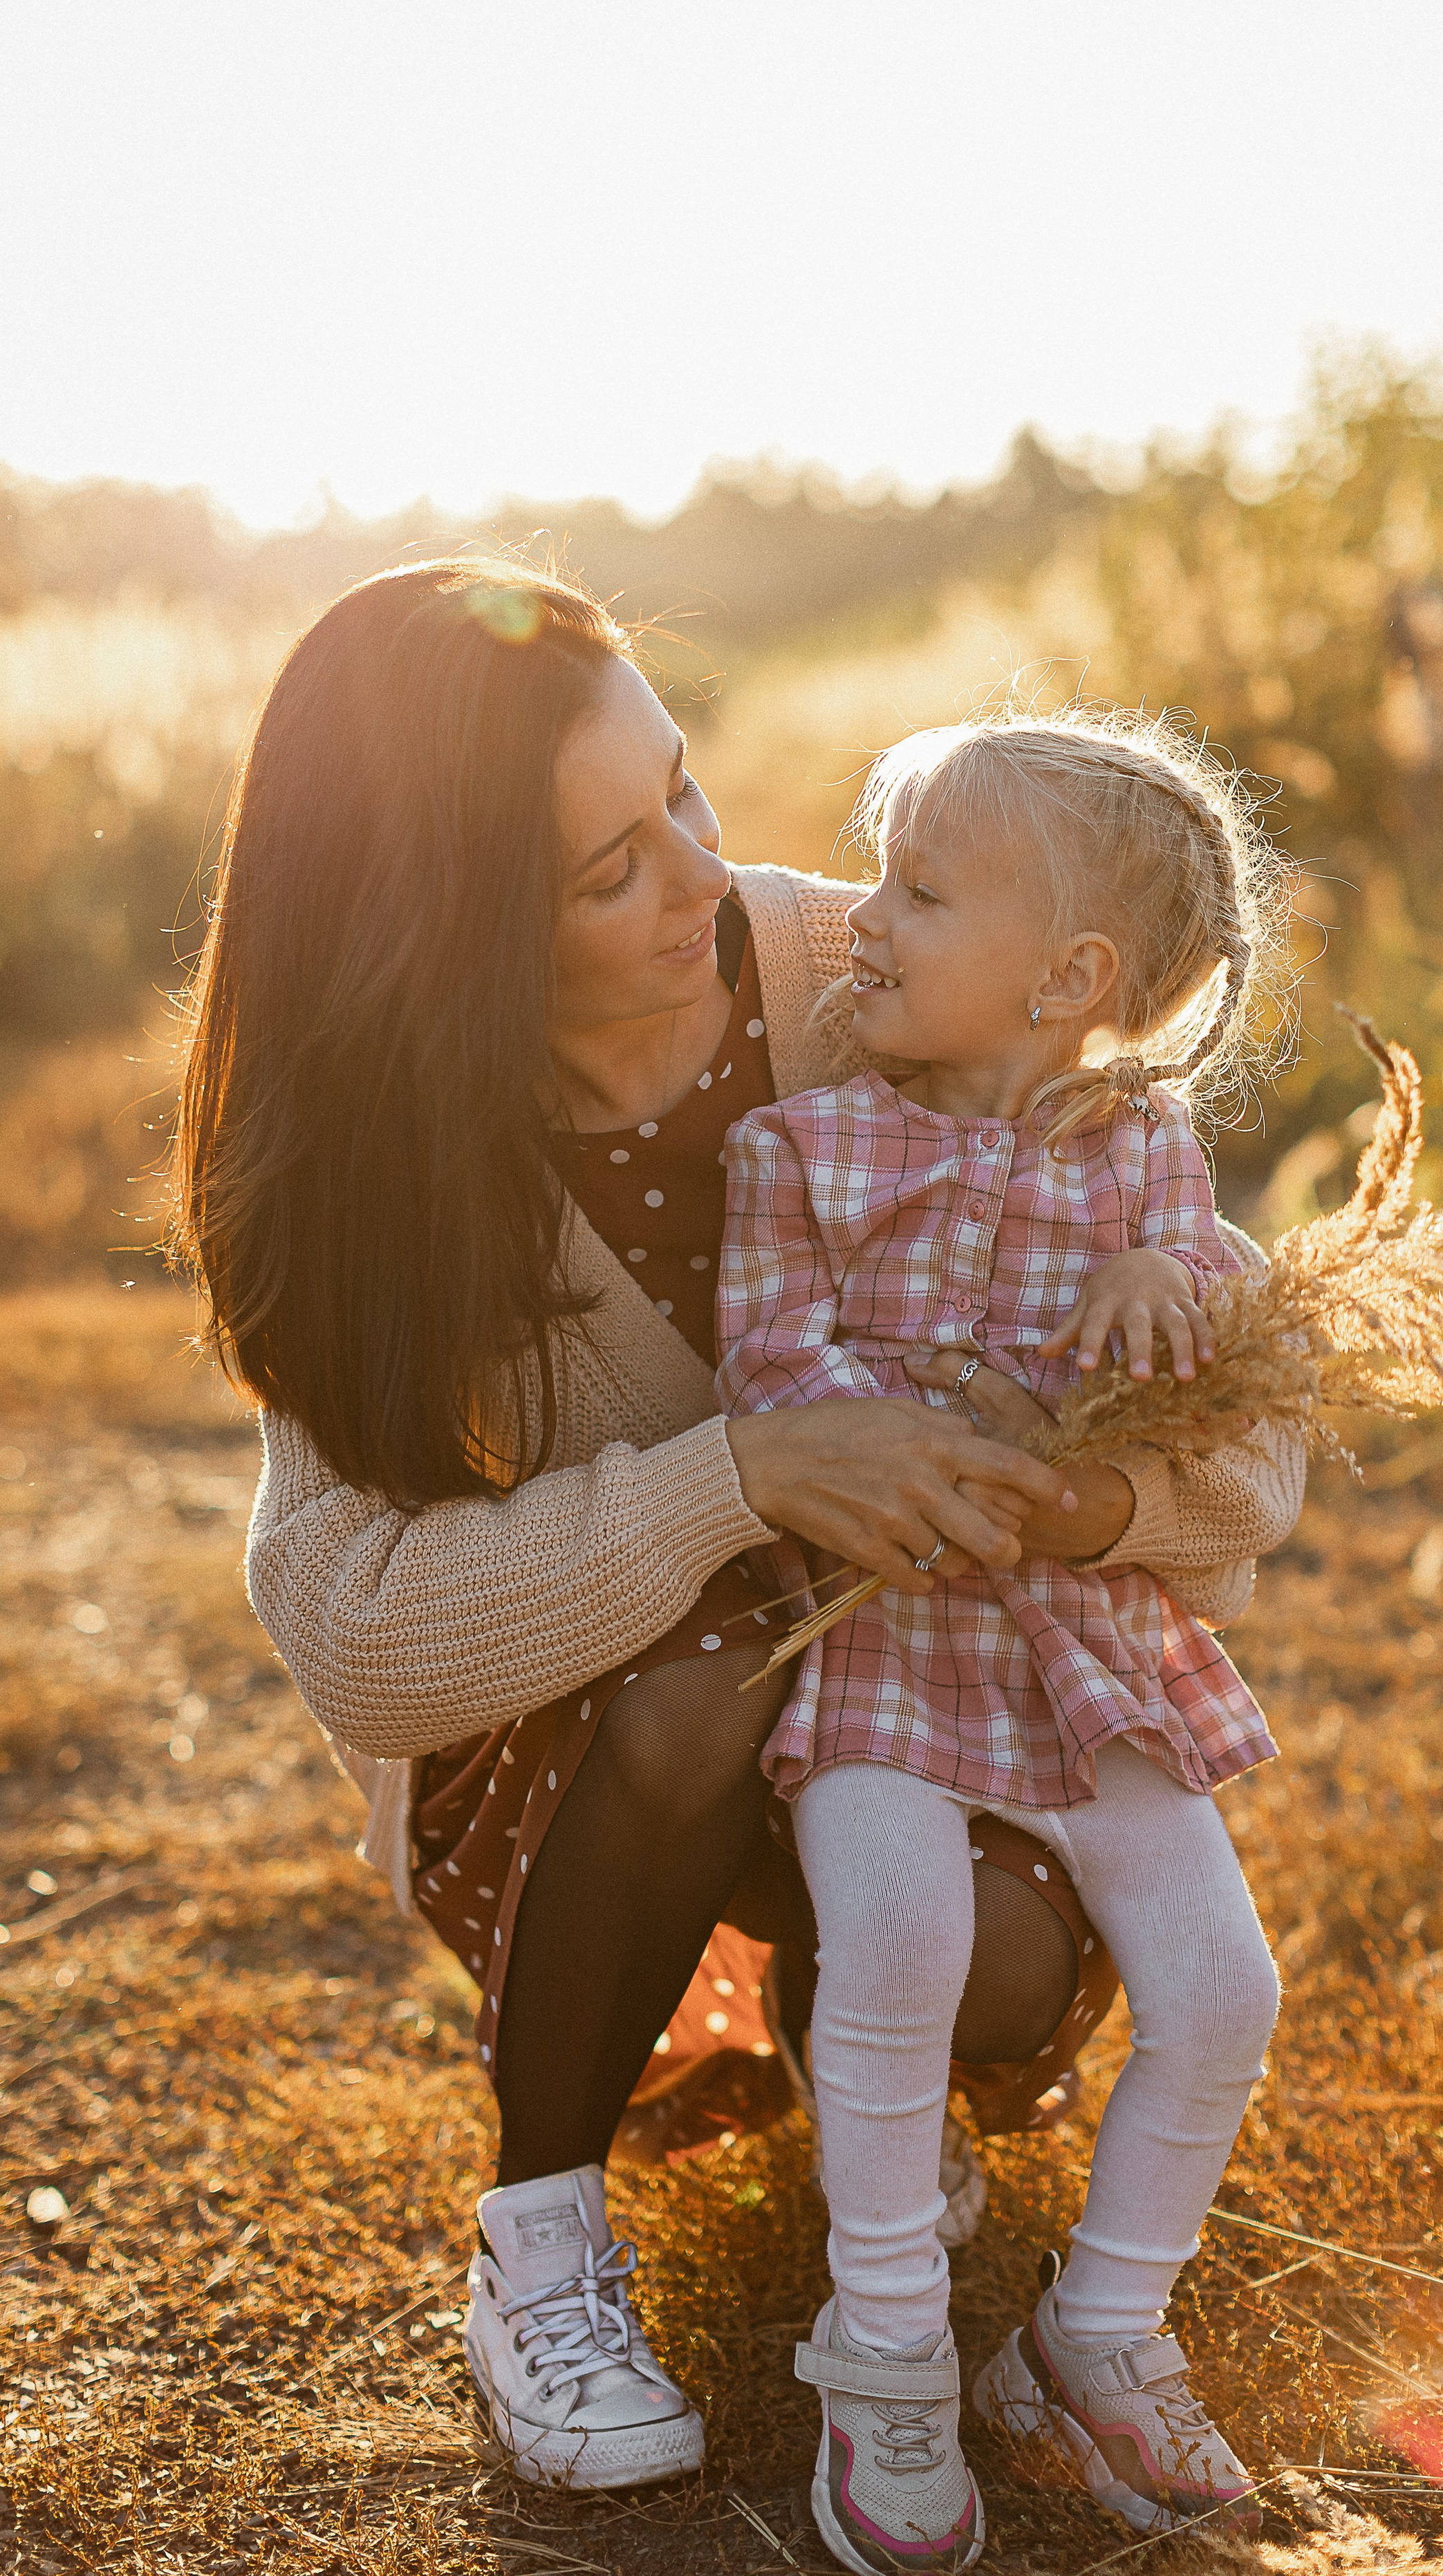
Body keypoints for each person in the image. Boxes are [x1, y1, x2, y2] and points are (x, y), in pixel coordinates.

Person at [172, 565, 1303, 2498]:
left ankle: (836, 2024)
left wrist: (1096, 1492)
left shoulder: (864, 976)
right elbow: (353, 1632)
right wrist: (741, 1478)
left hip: (910, 1677)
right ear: (443, 941)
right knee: (701, 1683)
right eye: (613, 868)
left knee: (1015, 1972)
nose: (707, 874)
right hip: (594, 1731)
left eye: (684, 793)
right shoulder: (370, 1167)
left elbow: (1241, 1438)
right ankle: (537, 2240)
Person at [716, 713, 1294, 2569]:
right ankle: (885, 2344)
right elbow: (773, 1362)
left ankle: (1097, 2331)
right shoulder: (801, 1149)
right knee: (894, 1933)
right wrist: (893, 1448)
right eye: (876, 872)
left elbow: (1233, 1302)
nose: (861, 919)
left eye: (918, 889)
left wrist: (1170, 1282)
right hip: (893, 1628)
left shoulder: (1146, 1153)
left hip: (1088, 1642)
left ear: (1070, 984)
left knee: (1222, 1990)